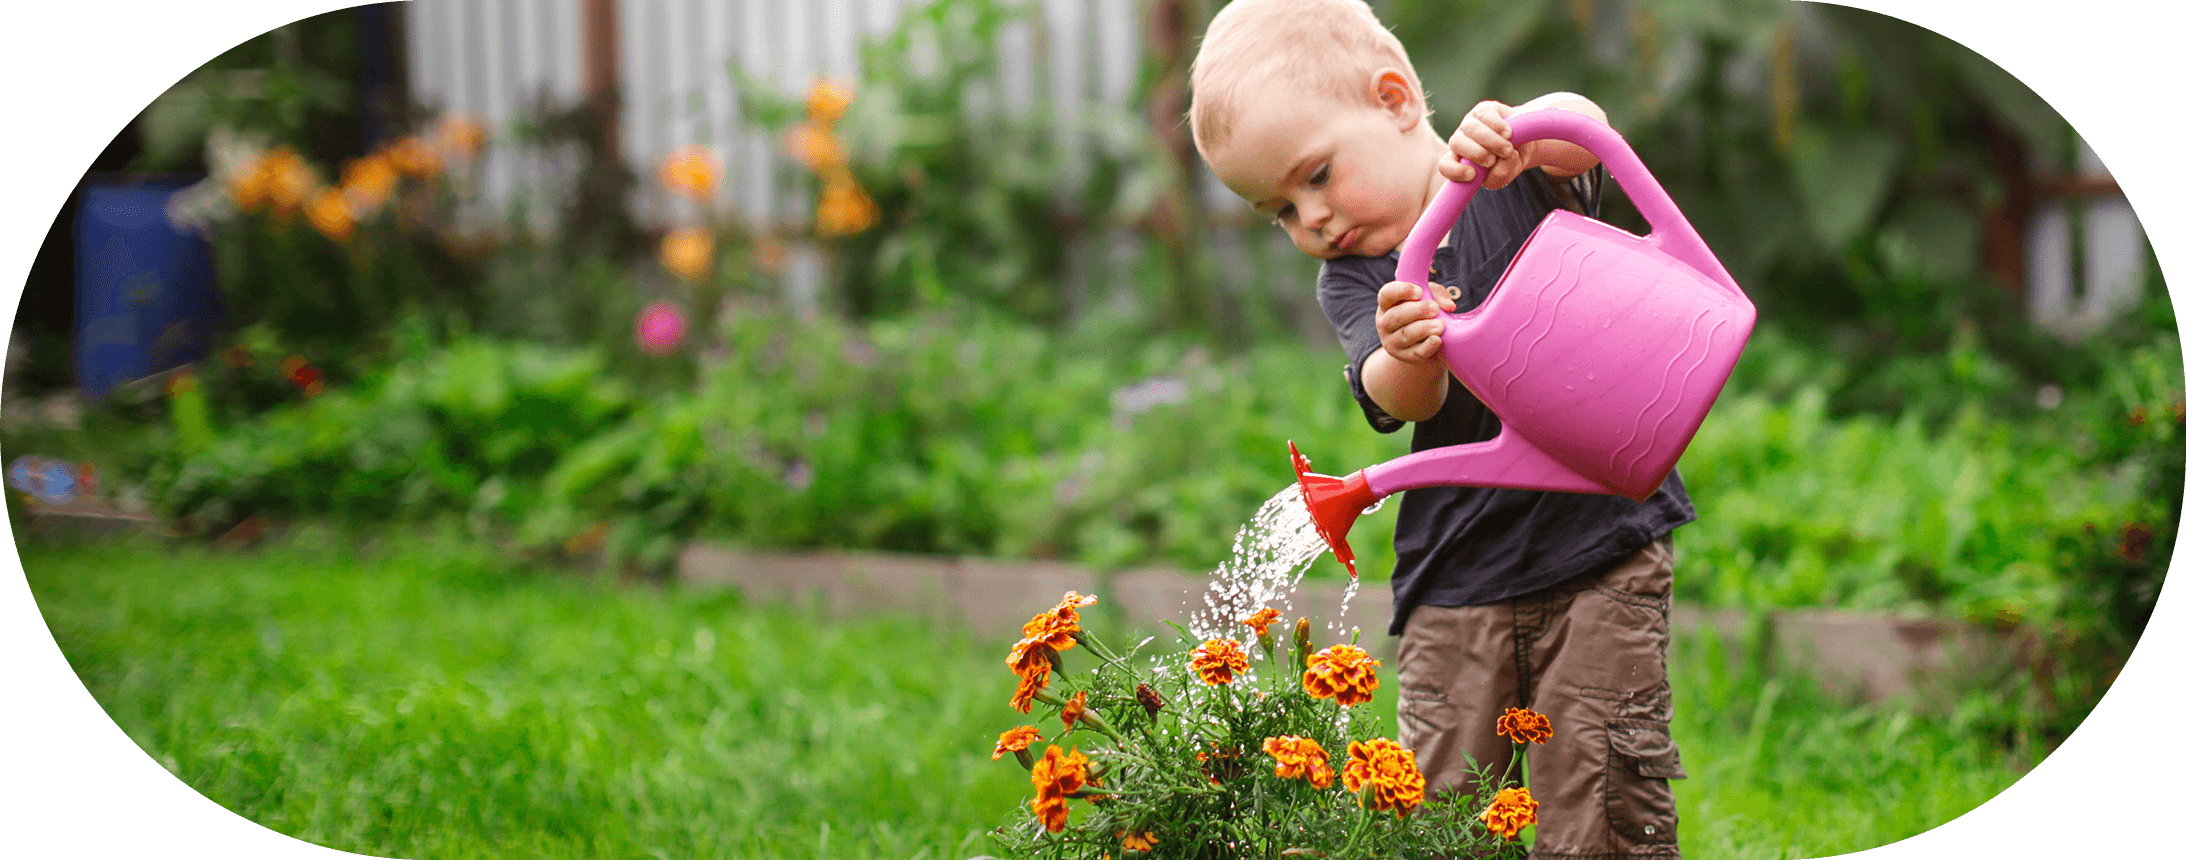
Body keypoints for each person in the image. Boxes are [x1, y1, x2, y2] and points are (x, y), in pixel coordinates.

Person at [1189, 1, 1695, 857]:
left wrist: (1524, 138)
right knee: (1443, 809)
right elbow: (1399, 402)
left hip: (1601, 539)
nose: (1308, 219)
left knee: (1603, 783)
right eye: (1276, 209)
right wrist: (1408, 351)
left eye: (1315, 176)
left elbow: (1586, 131)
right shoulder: (1356, 281)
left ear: (1393, 101)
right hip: (1457, 573)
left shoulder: (1509, 176)